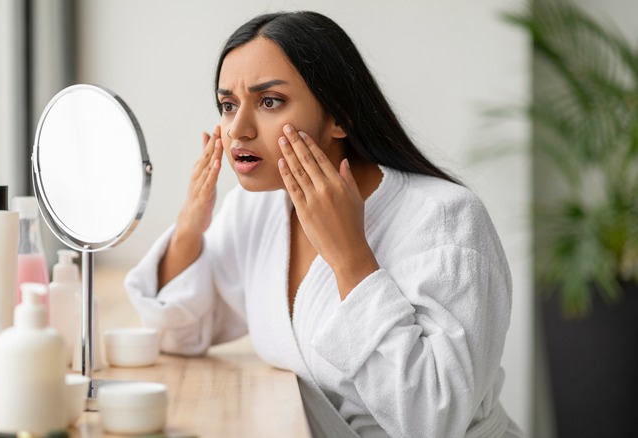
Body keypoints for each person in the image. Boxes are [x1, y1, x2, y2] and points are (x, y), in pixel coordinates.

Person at [124, 10, 524, 438]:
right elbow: (179, 333)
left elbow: (434, 419)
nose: (237, 130)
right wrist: (190, 228)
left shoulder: (446, 220)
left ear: (339, 116)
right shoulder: (257, 210)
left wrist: (351, 257)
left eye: (269, 101)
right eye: (227, 105)